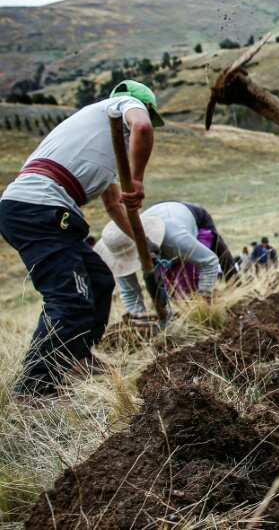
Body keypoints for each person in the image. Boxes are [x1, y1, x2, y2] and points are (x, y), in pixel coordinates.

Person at [0, 80, 162, 397]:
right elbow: (142, 125)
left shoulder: (101, 146)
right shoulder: (119, 107)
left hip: (43, 209)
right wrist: (139, 178)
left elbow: (114, 204)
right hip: (39, 208)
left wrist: (146, 247)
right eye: (149, 114)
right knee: (69, 301)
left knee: (100, 280)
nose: (145, 122)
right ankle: (34, 390)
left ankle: (76, 356)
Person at [95, 201, 237, 316]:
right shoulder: (118, 244)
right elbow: (130, 293)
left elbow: (209, 261)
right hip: (158, 224)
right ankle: (167, 314)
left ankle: (237, 286)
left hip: (188, 216)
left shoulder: (175, 238)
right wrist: (139, 317)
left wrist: (204, 297)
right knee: (166, 287)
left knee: (207, 257)